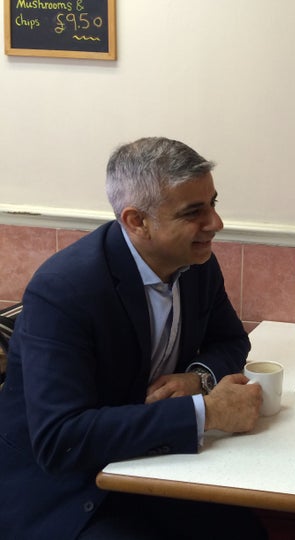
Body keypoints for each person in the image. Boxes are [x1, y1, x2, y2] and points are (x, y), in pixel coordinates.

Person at [0, 137, 268, 540]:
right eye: (194, 212)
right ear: (136, 221)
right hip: (69, 490)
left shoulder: (197, 265)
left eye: (213, 202)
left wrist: (197, 377)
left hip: (150, 462)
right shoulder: (64, 291)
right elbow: (60, 440)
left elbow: (231, 341)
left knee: (244, 529)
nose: (215, 223)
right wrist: (207, 412)